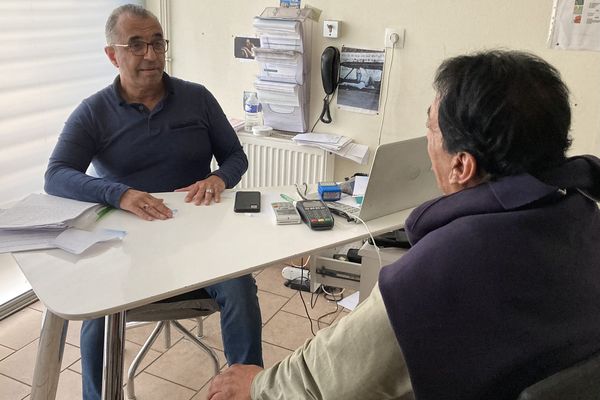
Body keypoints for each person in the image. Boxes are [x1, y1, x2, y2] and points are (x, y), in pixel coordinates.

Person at [207, 50, 600, 400]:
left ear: (462, 165)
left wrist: (258, 386)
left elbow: (323, 383)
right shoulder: (583, 215)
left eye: (430, 128)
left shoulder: (445, 267)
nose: (428, 145)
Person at [44, 5, 262, 399]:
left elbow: (236, 157)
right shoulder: (94, 112)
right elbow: (56, 174)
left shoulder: (197, 98)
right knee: (96, 317)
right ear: (113, 54)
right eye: (137, 44)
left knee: (241, 288)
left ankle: (249, 389)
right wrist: (119, 193)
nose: (151, 54)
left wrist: (217, 177)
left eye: (157, 43)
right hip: (129, 251)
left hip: (198, 242)